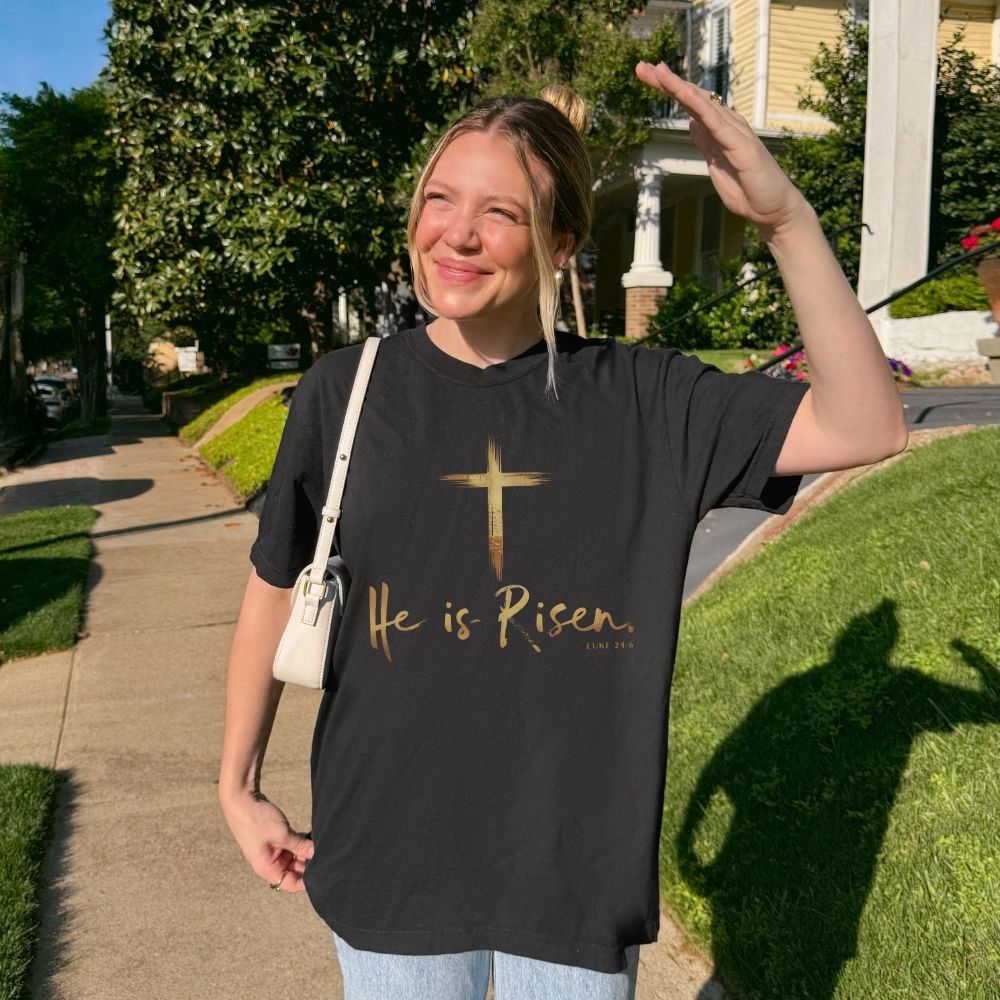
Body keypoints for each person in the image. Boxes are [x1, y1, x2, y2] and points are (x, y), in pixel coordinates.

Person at [219, 61, 907, 1000]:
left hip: (573, 874)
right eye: (439, 199)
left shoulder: (645, 400)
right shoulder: (348, 390)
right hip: (388, 854)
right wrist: (239, 782)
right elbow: (274, 583)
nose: (457, 234)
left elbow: (867, 424)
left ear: (561, 244)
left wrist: (786, 220)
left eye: (501, 213)